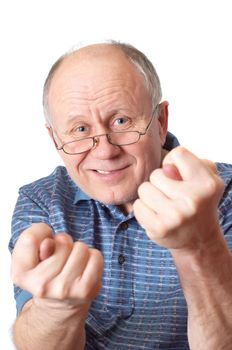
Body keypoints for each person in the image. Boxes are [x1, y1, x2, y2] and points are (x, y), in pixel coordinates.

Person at [9, 41, 232, 350]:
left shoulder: (224, 193)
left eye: (121, 121)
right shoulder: (41, 201)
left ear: (160, 121)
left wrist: (200, 247)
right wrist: (57, 308)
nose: (105, 151)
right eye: (80, 129)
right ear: (54, 138)